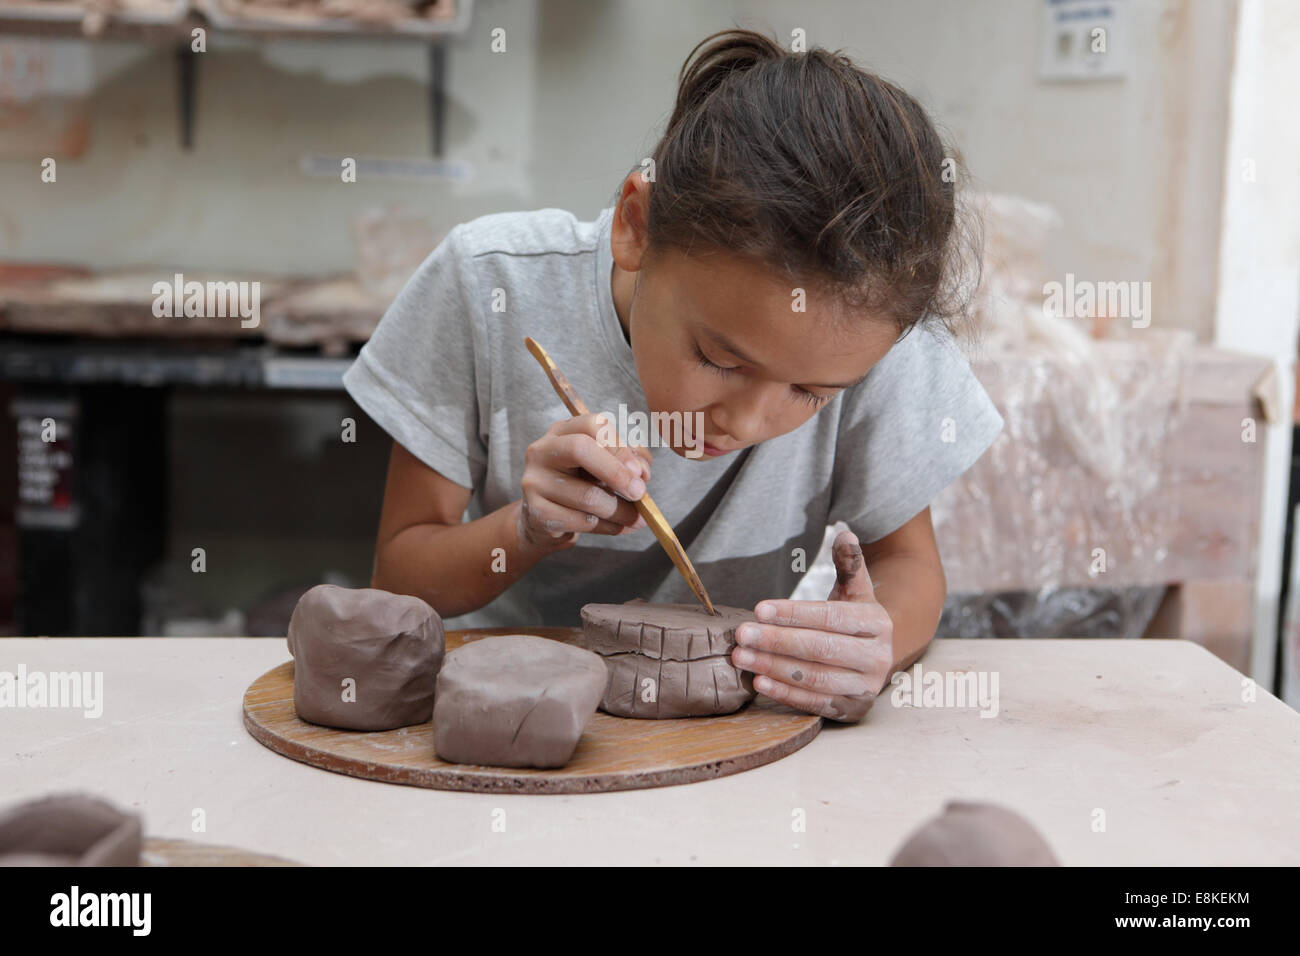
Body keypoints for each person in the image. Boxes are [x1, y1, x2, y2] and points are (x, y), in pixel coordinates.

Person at [342, 28, 1003, 722]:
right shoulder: (488, 284)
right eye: (721, 361)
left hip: (736, 734)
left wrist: (874, 642)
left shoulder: (869, 335)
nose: (747, 423)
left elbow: (911, 568)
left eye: (811, 394)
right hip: (506, 715)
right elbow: (400, 578)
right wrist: (529, 528)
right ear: (636, 223)